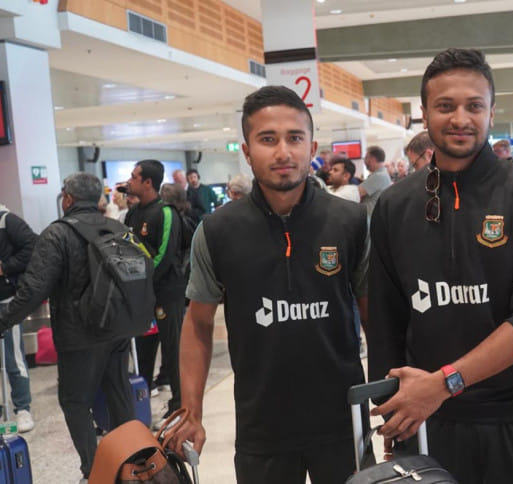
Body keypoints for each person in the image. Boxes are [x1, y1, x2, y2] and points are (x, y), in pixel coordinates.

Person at [367, 48, 513, 483]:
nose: (460, 118)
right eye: (445, 106)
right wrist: (391, 410)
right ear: (424, 114)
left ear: (491, 112)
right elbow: (385, 321)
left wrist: (444, 384)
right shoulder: (394, 206)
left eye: (474, 106)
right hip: (430, 421)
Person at [170, 85, 369, 484]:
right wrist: (192, 411)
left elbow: (375, 317)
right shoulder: (218, 230)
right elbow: (198, 324)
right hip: (261, 425)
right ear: (247, 151)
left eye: (294, 138)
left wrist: (389, 395)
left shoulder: (351, 221)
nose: (283, 152)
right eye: (267, 139)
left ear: (312, 147)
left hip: (343, 420)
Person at [0, 173, 136, 482]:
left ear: (69, 199)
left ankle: (95, 472)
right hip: (117, 329)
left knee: (75, 401)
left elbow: (34, 288)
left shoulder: (58, 234)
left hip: (80, 334)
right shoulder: (116, 228)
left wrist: (4, 321)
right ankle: (131, 464)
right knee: (118, 394)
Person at [125, 160, 185, 424]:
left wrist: (144, 283)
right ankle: (140, 411)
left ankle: (179, 407)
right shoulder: (132, 214)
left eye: (134, 177)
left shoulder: (166, 213)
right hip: (141, 297)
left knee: (173, 352)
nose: (129, 181)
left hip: (167, 294)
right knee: (142, 352)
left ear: (148, 182)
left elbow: (165, 255)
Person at [0, 205, 37, 433]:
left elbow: (32, 246)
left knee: (13, 358)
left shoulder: (7, 221)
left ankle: (23, 408)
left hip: (7, 301)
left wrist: (5, 267)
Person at [359, 145, 391, 216]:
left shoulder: (379, 176)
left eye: (366, 158)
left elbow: (357, 193)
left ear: (372, 159)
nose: (364, 161)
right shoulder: (382, 174)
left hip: (369, 217)